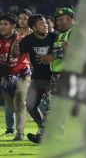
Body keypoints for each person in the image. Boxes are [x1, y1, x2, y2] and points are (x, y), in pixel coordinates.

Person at [19, 14, 57, 143]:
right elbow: (18, 51)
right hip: (37, 78)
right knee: (30, 105)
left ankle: (45, 132)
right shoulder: (27, 40)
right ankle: (44, 128)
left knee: (50, 107)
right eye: (41, 24)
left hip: (53, 78)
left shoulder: (54, 37)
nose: (45, 25)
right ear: (34, 27)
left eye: (46, 23)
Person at [0, 13, 31, 141]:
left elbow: (30, 54)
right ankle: (30, 111)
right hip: (6, 77)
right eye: (0, 24)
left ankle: (20, 134)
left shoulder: (21, 39)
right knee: (12, 106)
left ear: (13, 26)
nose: (2, 27)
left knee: (19, 102)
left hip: (22, 74)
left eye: (5, 24)